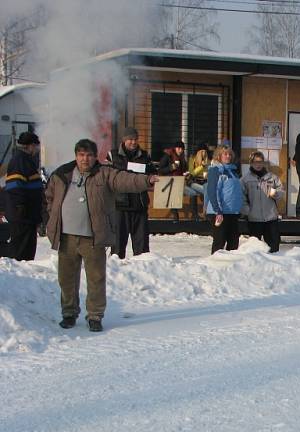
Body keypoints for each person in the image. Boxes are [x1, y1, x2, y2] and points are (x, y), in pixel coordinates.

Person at [45, 138, 157, 332]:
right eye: (81, 155)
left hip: (93, 237)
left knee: (96, 278)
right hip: (66, 237)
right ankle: (69, 313)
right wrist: (53, 216)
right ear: (76, 156)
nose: (85, 159)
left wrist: (146, 180)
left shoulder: (104, 173)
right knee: (66, 278)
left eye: (89, 155)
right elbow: (49, 197)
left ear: (95, 157)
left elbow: (125, 179)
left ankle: (95, 315)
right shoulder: (62, 174)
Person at [107, 127, 153, 259]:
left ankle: (142, 269)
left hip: (140, 204)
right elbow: (107, 175)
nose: (133, 142)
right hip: (120, 205)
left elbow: (152, 173)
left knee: (142, 246)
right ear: (124, 140)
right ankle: (116, 271)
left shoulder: (145, 155)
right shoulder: (112, 155)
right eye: (130, 139)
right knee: (117, 244)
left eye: (135, 139)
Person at [4, 131, 43, 260]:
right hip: (22, 215)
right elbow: (14, 185)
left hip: (28, 215)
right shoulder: (20, 160)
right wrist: (20, 206)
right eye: (36, 146)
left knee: (28, 248)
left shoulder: (25, 160)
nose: (37, 149)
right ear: (30, 145)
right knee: (21, 250)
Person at [241, 151, 285, 253]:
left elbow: (281, 191)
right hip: (254, 219)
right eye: (255, 162)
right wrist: (247, 211)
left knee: (274, 248)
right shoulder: (245, 179)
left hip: (270, 218)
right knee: (254, 250)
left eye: (260, 162)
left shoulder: (271, 177)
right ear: (251, 163)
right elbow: (241, 197)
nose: (258, 164)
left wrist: (275, 193)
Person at [205, 144, 243, 254]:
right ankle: (215, 266)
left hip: (232, 212)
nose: (228, 156)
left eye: (230, 154)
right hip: (220, 212)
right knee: (219, 242)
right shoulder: (215, 170)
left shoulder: (233, 171)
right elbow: (212, 191)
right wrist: (218, 210)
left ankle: (229, 268)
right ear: (219, 156)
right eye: (225, 154)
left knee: (233, 242)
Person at [158, 141, 201, 223]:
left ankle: (194, 215)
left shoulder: (182, 158)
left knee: (193, 193)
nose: (180, 150)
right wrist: (171, 167)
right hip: (170, 182)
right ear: (175, 148)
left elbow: (184, 170)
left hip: (181, 182)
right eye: (178, 148)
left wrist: (186, 173)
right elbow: (160, 170)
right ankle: (175, 216)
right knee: (174, 193)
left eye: (182, 149)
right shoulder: (168, 156)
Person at [187, 142, 210, 221]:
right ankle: (201, 214)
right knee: (206, 192)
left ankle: (206, 213)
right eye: (202, 152)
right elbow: (191, 173)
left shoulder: (208, 160)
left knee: (208, 190)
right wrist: (201, 166)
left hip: (205, 181)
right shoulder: (192, 159)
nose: (204, 154)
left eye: (205, 152)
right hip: (194, 181)